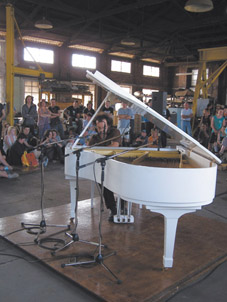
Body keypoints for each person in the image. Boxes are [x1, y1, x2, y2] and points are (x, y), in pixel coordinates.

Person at [89, 113, 121, 221]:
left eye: (103, 127)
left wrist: (100, 148)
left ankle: (122, 205)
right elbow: (90, 149)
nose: (101, 130)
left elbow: (115, 146)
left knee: (124, 180)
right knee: (102, 180)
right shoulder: (94, 137)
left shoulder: (115, 132)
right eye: (99, 128)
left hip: (116, 163)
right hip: (102, 165)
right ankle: (112, 208)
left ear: (108, 125)